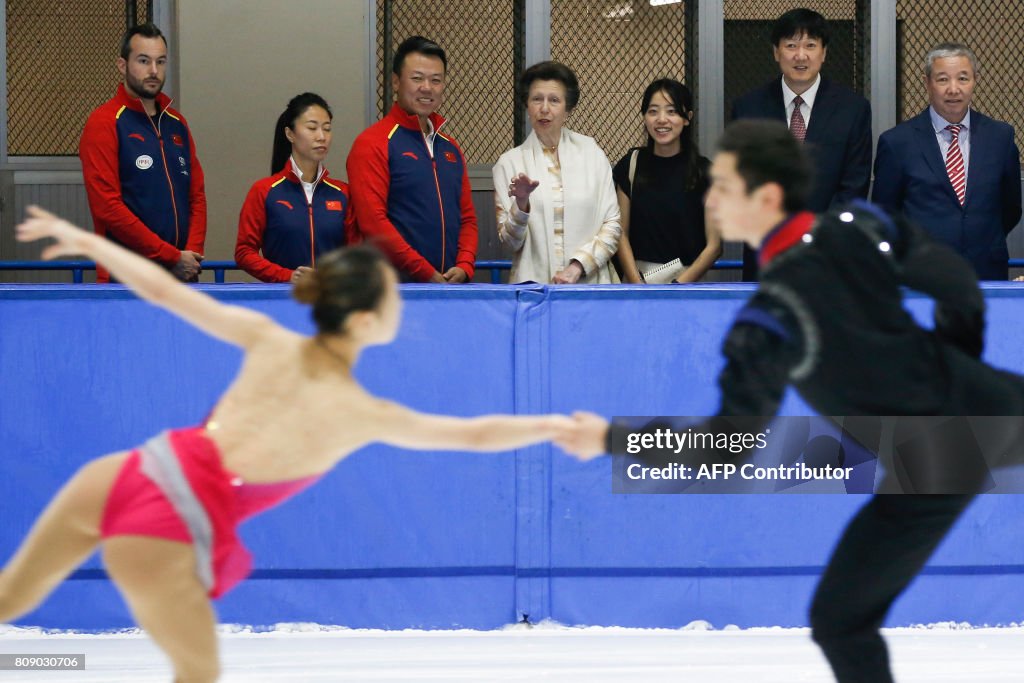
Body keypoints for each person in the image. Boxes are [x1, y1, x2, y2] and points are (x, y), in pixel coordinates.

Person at [2, 206, 571, 683]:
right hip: (169, 524)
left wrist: (84, 240)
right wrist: (550, 425)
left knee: (9, 598)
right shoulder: (359, 413)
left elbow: (162, 291)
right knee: (197, 673)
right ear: (367, 321)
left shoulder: (269, 340)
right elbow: (471, 435)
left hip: (121, 474)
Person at [556, 119, 1024, 683]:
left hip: (930, 464)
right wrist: (955, 376)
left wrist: (611, 438)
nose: (712, 197)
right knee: (839, 619)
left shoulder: (770, 317)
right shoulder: (859, 224)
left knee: (839, 622)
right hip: (983, 413)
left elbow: (724, 447)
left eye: (724, 186)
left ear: (767, 197)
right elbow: (956, 282)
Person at [731, 7, 871, 280]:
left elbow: (854, 184)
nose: (800, 55)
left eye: (810, 45)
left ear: (824, 52)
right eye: (791, 45)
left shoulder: (852, 109)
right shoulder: (748, 108)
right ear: (776, 52)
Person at [872, 42, 1021, 281]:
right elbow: (884, 214)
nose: (954, 89)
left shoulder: (1000, 137)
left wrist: (978, 235)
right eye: (943, 80)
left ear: (975, 80)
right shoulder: (897, 142)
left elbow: (1011, 206)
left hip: (985, 271)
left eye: (963, 79)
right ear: (927, 83)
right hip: (921, 275)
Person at [79, 22, 206, 283]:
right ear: (122, 65)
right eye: (143, 61)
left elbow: (197, 197)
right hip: (127, 279)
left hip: (180, 277)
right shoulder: (104, 122)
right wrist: (169, 257)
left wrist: (189, 256)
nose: (153, 71)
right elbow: (108, 208)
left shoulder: (177, 123)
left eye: (161, 62)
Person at [346, 36, 477, 283]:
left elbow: (467, 217)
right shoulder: (372, 143)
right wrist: (426, 273)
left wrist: (465, 265)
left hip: (450, 289)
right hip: (392, 292)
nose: (427, 87)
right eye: (417, 78)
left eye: (436, 80)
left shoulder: (450, 148)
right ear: (395, 82)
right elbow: (374, 224)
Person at [492, 61, 621, 284]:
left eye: (554, 100)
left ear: (567, 108)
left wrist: (578, 266)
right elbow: (509, 243)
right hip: (534, 291)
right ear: (527, 106)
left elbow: (612, 225)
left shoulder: (591, 152)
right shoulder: (509, 163)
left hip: (589, 286)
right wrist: (521, 205)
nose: (544, 108)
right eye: (536, 99)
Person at [235, 93, 355, 283]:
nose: (321, 136)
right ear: (290, 134)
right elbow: (244, 252)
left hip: (332, 299)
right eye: (312, 128)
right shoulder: (264, 191)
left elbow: (356, 253)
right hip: (283, 298)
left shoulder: (342, 193)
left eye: (327, 128)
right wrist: (287, 276)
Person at [613, 79, 719, 284]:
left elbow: (714, 246)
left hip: (688, 284)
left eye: (671, 111)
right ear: (644, 116)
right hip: (638, 282)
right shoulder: (630, 166)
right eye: (653, 111)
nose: (661, 120)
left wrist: (677, 286)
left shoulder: (705, 172)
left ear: (687, 118)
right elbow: (620, 234)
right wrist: (638, 285)